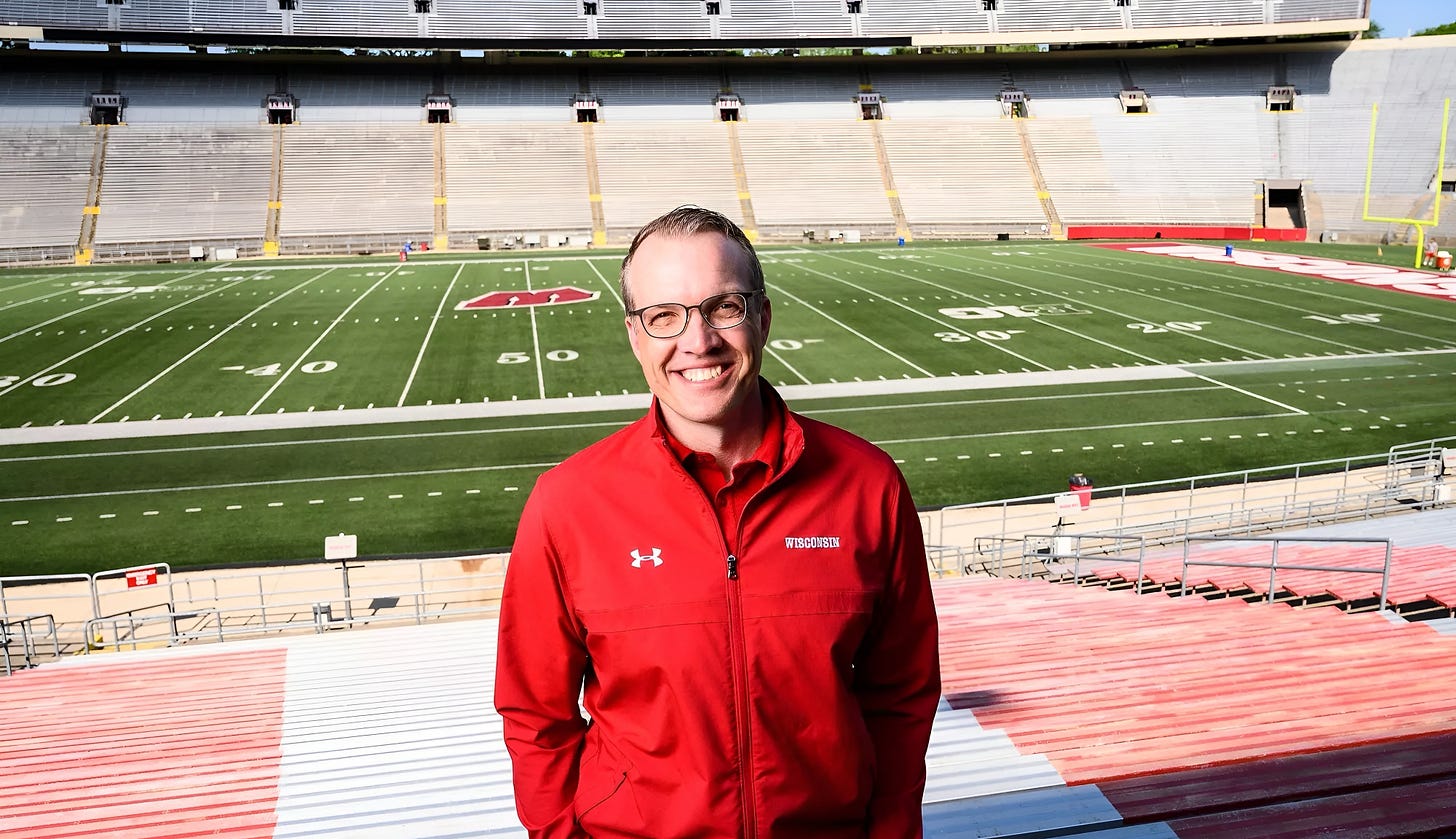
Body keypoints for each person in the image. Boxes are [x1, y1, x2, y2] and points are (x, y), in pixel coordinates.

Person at [495, 206, 941, 838]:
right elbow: (534, 715)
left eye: (723, 307)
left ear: (761, 316)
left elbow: (902, 696)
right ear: (635, 335)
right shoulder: (567, 503)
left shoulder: (868, 486)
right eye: (663, 316)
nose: (697, 341)